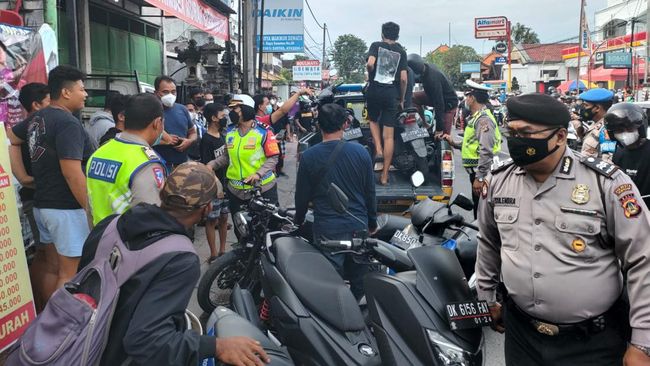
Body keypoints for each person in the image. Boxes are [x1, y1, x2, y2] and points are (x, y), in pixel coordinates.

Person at [476, 93, 650, 366]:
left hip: (591, 343)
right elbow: (488, 242)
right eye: (512, 131)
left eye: (527, 133)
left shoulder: (607, 183)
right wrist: (487, 300)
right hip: (522, 336)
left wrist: (643, 341)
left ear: (559, 136)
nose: (516, 140)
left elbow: (643, 259)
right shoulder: (499, 181)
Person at [78, 162, 269, 366]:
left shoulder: (109, 224)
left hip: (81, 340)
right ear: (207, 208)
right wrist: (216, 346)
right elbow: (146, 341)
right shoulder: (179, 258)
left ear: (162, 193)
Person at [8, 65, 93, 296]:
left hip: (43, 204)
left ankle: (41, 314)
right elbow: (71, 171)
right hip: (66, 208)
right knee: (69, 274)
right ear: (66, 92)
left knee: (49, 264)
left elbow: (13, 138)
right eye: (81, 89)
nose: (85, 94)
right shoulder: (67, 123)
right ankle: (56, 330)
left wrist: (23, 177)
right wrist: (90, 209)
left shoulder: (39, 117)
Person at [294, 103, 377, 300]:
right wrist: (372, 222)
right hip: (358, 226)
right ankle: (360, 320)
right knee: (360, 284)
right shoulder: (361, 152)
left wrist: (298, 221)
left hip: (327, 230)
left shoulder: (308, 157)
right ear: (345, 124)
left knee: (329, 285)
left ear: (318, 126)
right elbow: (370, 193)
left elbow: (302, 197)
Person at [86, 93, 167, 226]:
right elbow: (149, 219)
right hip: (128, 243)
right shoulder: (145, 163)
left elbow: (90, 207)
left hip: (100, 238)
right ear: (157, 123)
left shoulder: (99, 153)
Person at [9, 82, 53, 312]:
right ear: (36, 105)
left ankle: (37, 303)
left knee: (43, 253)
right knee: (50, 257)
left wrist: (24, 179)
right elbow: (12, 142)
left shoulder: (33, 129)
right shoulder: (31, 129)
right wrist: (25, 178)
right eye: (49, 101)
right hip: (37, 199)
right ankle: (47, 308)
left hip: (34, 198)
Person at [208, 94, 280, 215]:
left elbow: (273, 157)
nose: (231, 112)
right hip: (235, 191)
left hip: (262, 188)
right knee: (241, 229)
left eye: (235, 108)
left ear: (246, 109)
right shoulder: (230, 131)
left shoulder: (264, 131)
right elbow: (226, 156)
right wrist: (212, 165)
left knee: (265, 226)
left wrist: (258, 174)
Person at [444, 80, 501, 218]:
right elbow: (471, 143)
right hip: (476, 172)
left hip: (481, 172)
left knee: (481, 212)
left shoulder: (483, 120)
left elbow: (486, 150)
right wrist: (453, 143)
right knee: (479, 209)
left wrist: (480, 178)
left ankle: (482, 237)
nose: (465, 99)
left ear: (472, 98)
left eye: (467, 96)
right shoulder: (476, 118)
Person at [366, 21, 408, 185]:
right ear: (397, 36)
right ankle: (384, 176)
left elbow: (370, 63)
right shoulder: (401, 51)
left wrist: (370, 72)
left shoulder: (376, 45)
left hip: (375, 91)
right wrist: (402, 99)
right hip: (392, 94)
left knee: (373, 120)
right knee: (389, 136)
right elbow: (403, 79)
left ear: (382, 34)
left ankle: (378, 149)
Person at [200, 103, 230, 262]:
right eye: (222, 116)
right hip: (214, 187)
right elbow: (207, 166)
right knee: (212, 220)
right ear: (213, 118)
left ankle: (223, 250)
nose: (225, 118)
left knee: (224, 218)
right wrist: (216, 186)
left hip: (226, 184)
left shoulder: (224, 135)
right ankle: (213, 253)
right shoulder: (206, 139)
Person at [606, 103, 650, 208]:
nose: (625, 134)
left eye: (630, 129)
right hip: (626, 209)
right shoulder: (619, 152)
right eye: (619, 131)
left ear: (640, 128)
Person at [153, 75, 197, 171]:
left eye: (173, 92)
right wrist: (164, 140)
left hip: (182, 165)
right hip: (158, 167)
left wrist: (189, 141)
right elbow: (142, 140)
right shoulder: (150, 112)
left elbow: (193, 132)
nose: (170, 95)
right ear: (156, 93)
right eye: (165, 92)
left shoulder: (182, 109)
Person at [407, 53, 458, 135]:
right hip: (432, 96)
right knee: (413, 97)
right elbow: (417, 79)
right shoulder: (425, 68)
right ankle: (425, 124)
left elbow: (439, 104)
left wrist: (439, 128)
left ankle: (444, 140)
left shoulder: (432, 79)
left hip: (448, 104)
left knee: (444, 137)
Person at [579, 88, 615, 161]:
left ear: (597, 108)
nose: (583, 109)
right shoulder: (595, 123)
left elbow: (607, 163)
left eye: (586, 105)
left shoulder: (606, 130)